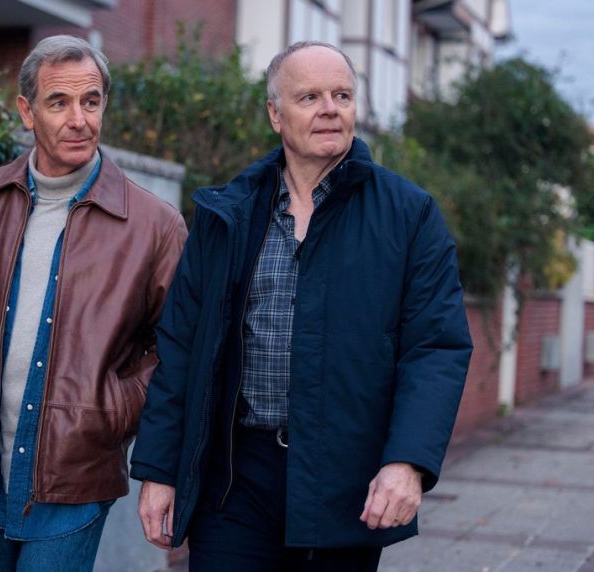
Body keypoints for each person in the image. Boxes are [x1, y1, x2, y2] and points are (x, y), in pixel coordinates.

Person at [131, 41, 472, 571]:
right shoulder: (229, 214)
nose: (330, 108)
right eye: (309, 96)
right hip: (235, 484)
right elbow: (180, 349)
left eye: (342, 94)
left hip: (345, 484)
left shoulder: (410, 216)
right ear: (275, 114)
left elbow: (437, 349)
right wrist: (159, 469)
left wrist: (407, 463)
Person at [0, 35, 187, 572]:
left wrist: (113, 408)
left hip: (77, 470)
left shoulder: (154, 225)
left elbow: (175, 347)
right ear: (27, 111)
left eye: (91, 101)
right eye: (59, 102)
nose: (78, 119)